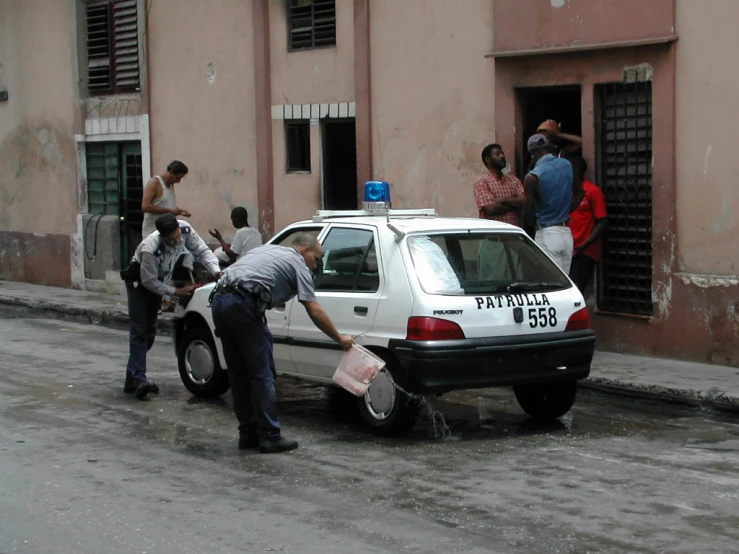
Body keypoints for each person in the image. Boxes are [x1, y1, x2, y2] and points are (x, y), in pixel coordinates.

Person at [210, 233, 354, 454]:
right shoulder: (298, 263)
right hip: (243, 303)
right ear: (305, 250)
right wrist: (339, 337)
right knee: (262, 373)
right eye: (317, 259)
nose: (317, 266)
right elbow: (313, 310)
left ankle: (248, 434)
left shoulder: (266, 250)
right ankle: (269, 435)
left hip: (220, 299)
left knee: (238, 372)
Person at [123, 215, 222, 400]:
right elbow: (149, 281)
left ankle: (132, 376)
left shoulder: (185, 230)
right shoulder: (150, 248)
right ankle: (139, 379)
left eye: (177, 237)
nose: (177, 241)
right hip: (140, 286)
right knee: (139, 331)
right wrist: (176, 292)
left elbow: (201, 250)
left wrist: (216, 271)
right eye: (172, 240)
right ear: (162, 236)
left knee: (150, 333)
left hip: (159, 283)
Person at [522, 134, 584, 274]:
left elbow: (527, 214)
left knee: (549, 284)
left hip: (547, 231)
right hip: (567, 233)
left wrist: (537, 224)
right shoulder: (567, 165)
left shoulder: (533, 176)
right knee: (564, 283)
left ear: (532, 154)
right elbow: (580, 193)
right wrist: (565, 212)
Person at [567, 156, 608, 295]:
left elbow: (602, 222)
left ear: (576, 171)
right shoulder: (568, 192)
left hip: (586, 250)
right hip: (569, 248)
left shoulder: (593, 191)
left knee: (576, 290)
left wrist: (584, 244)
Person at [473, 143, 525, 227]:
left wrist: (505, 200)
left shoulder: (513, 180)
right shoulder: (482, 182)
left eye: (502, 153)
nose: (502, 156)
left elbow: (525, 201)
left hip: (514, 235)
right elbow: (491, 209)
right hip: (493, 235)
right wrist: (515, 205)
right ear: (488, 159)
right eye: (497, 154)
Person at [141, 160, 192, 237]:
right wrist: (170, 211)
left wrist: (179, 211)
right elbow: (145, 206)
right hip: (152, 231)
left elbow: (164, 204)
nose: (178, 181)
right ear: (171, 172)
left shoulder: (171, 185)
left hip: (168, 231)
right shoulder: (155, 182)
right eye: (177, 178)